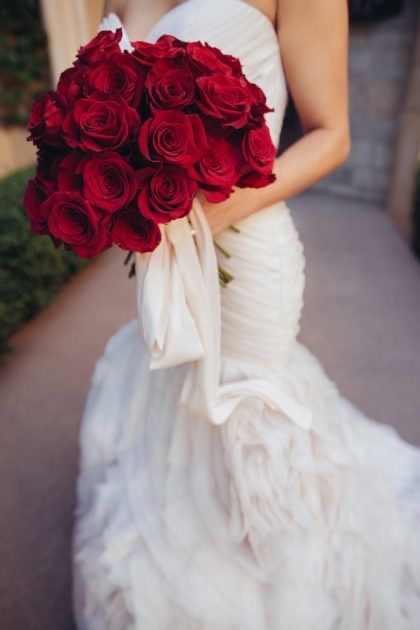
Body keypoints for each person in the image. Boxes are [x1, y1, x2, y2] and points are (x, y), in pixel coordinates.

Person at [73, 1, 420, 628]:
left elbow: (331, 134)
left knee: (248, 408)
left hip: (246, 247)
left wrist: (213, 214)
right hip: (167, 249)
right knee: (177, 398)